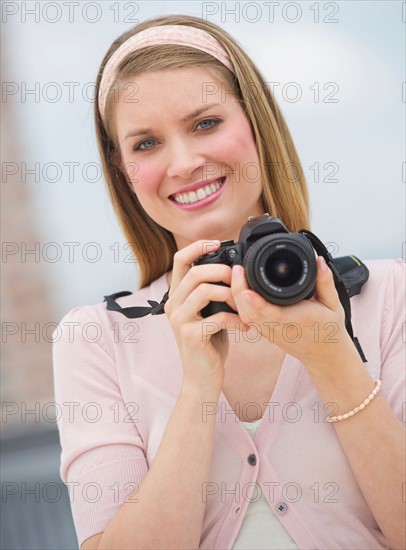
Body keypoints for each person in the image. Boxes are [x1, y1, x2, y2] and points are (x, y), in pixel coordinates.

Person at [52, 14, 405, 550]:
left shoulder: (388, 296)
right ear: (122, 169)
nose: (186, 162)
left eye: (205, 123)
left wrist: (335, 363)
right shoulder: (95, 339)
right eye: (146, 144)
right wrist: (198, 388)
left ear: (256, 122)